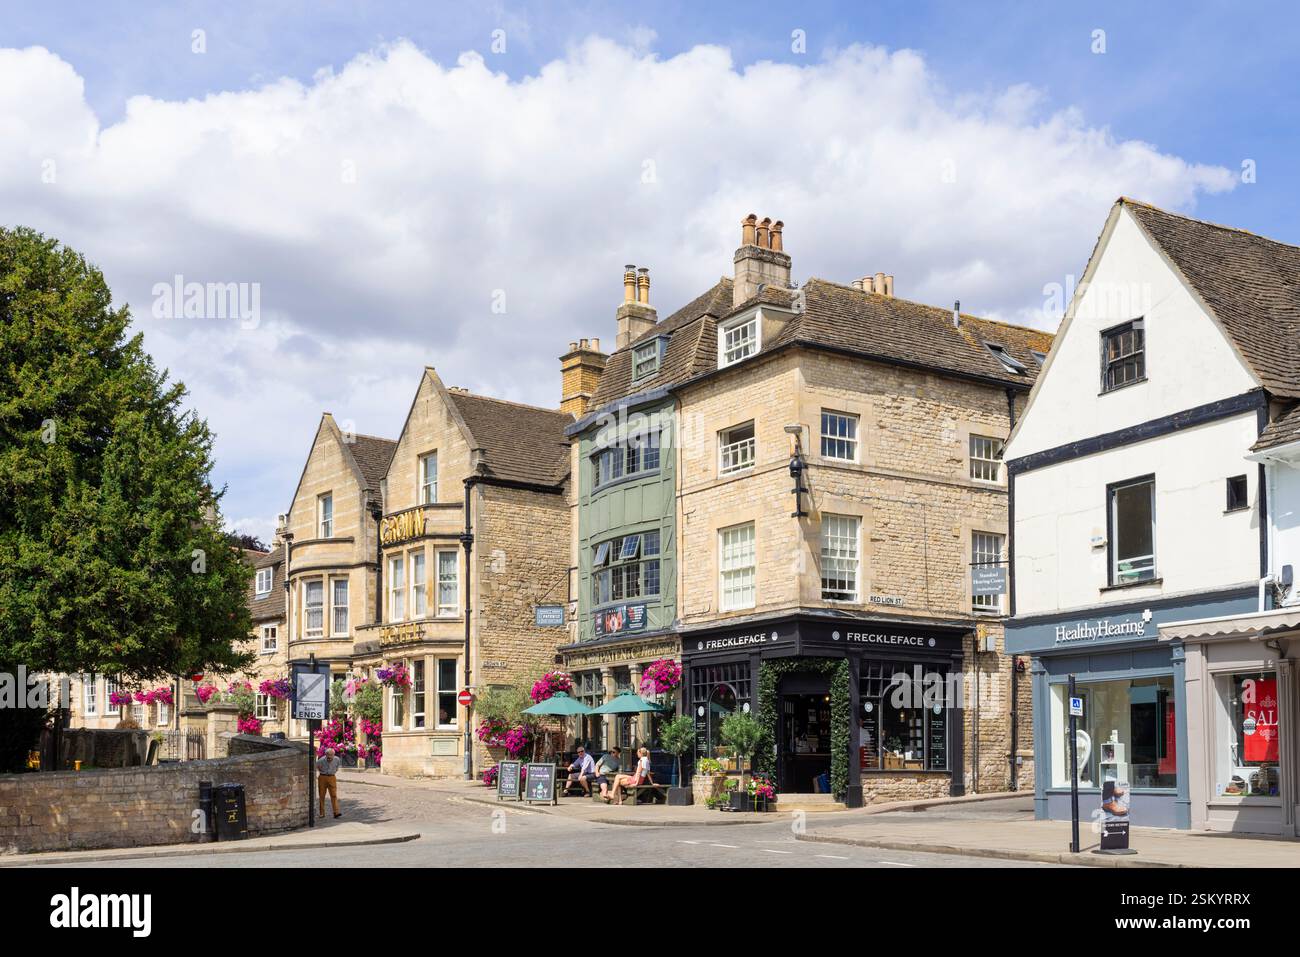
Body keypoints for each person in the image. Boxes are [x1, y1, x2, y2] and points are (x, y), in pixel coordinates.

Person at [317, 746, 342, 819]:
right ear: (326, 755)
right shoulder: (321, 760)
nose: (330, 757)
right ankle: (322, 813)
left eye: (331, 755)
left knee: (334, 795)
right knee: (322, 795)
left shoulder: (337, 759)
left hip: (332, 777)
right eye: (328, 755)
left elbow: (337, 767)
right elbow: (317, 767)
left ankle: (336, 812)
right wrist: (322, 772)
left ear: (334, 755)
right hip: (322, 777)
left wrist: (333, 772)